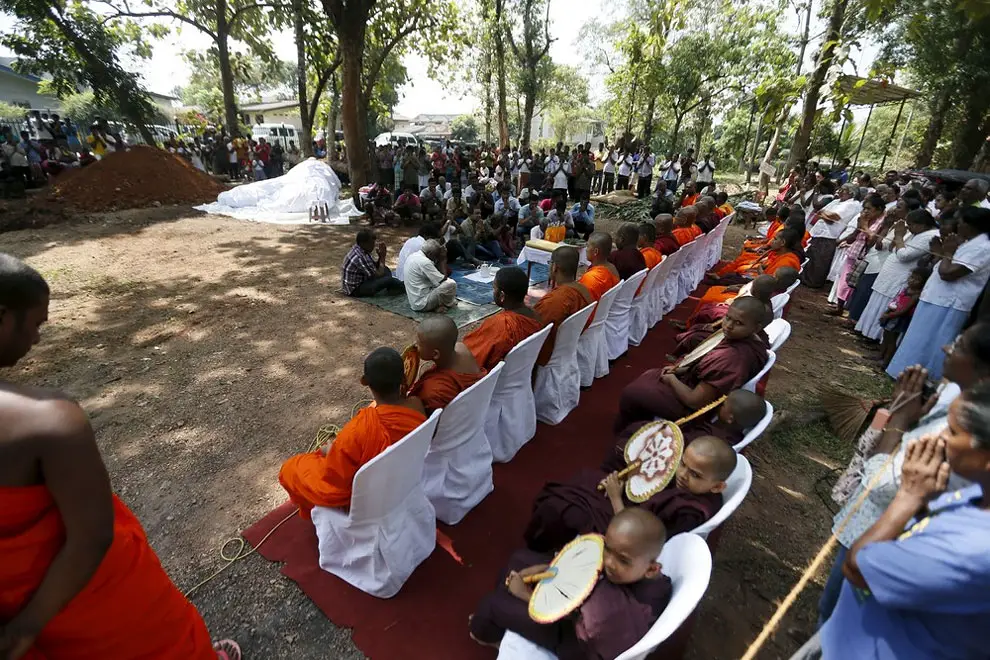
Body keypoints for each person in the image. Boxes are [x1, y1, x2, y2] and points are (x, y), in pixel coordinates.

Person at [0, 254, 234, 660]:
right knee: (165, 644)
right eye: (36, 324)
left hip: (12, 599)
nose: (37, 339)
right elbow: (92, 537)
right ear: (2, 317)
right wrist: (28, 625)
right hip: (73, 599)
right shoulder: (47, 421)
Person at [799, 381, 990, 660]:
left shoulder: (973, 551)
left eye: (952, 432)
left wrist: (910, 495)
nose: (936, 438)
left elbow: (858, 568)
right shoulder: (977, 494)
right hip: (850, 636)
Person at [470, 508, 672, 658]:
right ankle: (507, 613)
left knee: (492, 605)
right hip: (580, 612)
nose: (608, 562)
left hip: (574, 643)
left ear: (652, 568)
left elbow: (570, 617)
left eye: (623, 560)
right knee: (519, 559)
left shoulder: (606, 612)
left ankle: (489, 633)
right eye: (607, 548)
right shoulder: (653, 579)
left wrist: (524, 594)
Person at [525, 434, 735, 555]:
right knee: (587, 478)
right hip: (635, 512)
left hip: (627, 535)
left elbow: (640, 543)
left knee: (558, 505)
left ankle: (540, 549)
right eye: (682, 464)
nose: (682, 475)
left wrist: (616, 497)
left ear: (717, 487)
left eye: (695, 475)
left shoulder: (691, 513)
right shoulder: (694, 490)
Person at [279, 347, 427, 517]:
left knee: (290, 468)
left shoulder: (359, 428)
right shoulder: (417, 405)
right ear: (403, 378)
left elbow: (336, 477)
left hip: (366, 495)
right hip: (401, 477)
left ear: (365, 381)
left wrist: (330, 451)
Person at [614, 297, 770, 431]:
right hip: (693, 382)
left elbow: (695, 402)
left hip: (692, 410)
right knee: (650, 376)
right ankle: (644, 421)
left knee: (632, 393)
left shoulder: (732, 359)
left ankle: (629, 434)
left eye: (739, 323)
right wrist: (685, 370)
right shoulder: (751, 341)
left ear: (756, 327)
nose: (728, 325)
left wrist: (672, 380)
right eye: (728, 318)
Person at [886, 206, 990, 381]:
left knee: (933, 343)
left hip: (949, 303)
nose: (957, 225)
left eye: (961, 221)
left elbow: (948, 273)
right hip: (936, 298)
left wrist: (947, 252)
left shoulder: (983, 248)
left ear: (972, 225)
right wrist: (942, 251)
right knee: (918, 339)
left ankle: (922, 379)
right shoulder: (967, 242)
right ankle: (903, 373)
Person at [855, 208, 938, 341]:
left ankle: (875, 338)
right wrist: (898, 237)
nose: (909, 228)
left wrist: (899, 236)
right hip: (890, 274)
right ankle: (866, 332)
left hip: (900, 276)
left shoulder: (930, 236)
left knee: (888, 307)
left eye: (910, 225)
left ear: (921, 224)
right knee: (877, 303)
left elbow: (904, 255)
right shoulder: (917, 233)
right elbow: (893, 248)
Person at [463, 267, 543, 370]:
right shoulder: (535, 315)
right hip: (523, 370)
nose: (493, 291)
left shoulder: (500, 324)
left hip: (497, 378)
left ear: (501, 295)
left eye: (494, 288)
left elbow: (472, 356)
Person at [407, 316, 484, 413]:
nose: (415, 346)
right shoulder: (461, 348)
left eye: (419, 344)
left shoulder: (434, 391)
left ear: (435, 354)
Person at [534, 246, 593, 366]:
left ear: (555, 267)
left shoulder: (556, 301)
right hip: (568, 347)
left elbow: (536, 330)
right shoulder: (584, 290)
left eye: (550, 263)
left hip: (550, 354)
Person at [802, 183, 863, 288]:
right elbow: (819, 211)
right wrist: (825, 214)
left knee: (820, 262)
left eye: (843, 190)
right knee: (810, 256)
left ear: (851, 193)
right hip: (818, 232)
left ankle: (813, 284)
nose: (839, 191)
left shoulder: (852, 204)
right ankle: (804, 279)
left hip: (829, 235)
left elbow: (832, 218)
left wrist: (824, 214)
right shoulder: (836, 201)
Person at [678, 388, 768, 447]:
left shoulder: (706, 438)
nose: (720, 404)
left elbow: (678, 444)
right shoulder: (735, 435)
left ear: (730, 418)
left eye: (724, 405)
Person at [877, 267, 928, 367]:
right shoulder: (906, 289)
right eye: (911, 277)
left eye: (916, 279)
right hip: (892, 314)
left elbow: (904, 310)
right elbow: (896, 301)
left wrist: (888, 315)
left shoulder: (916, 295)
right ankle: (880, 355)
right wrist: (887, 312)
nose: (912, 280)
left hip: (899, 318)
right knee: (886, 336)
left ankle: (886, 362)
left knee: (892, 340)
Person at [341, 229, 404, 297]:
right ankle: (404, 287)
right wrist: (383, 257)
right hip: (355, 290)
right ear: (363, 243)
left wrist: (380, 257)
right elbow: (378, 274)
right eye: (371, 243)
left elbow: (373, 267)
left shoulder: (360, 249)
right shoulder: (360, 257)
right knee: (389, 279)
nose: (373, 246)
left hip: (361, 281)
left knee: (386, 270)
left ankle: (393, 287)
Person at [404, 240, 457, 313]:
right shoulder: (425, 262)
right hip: (422, 304)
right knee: (451, 283)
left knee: (439, 283)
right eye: (436, 255)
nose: (436, 257)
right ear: (430, 254)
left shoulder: (414, 256)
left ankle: (437, 304)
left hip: (415, 300)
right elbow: (442, 279)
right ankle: (444, 304)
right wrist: (443, 259)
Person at [579, 232, 622, 300]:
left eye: (587, 246)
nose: (586, 249)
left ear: (596, 252)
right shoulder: (612, 268)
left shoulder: (591, 278)